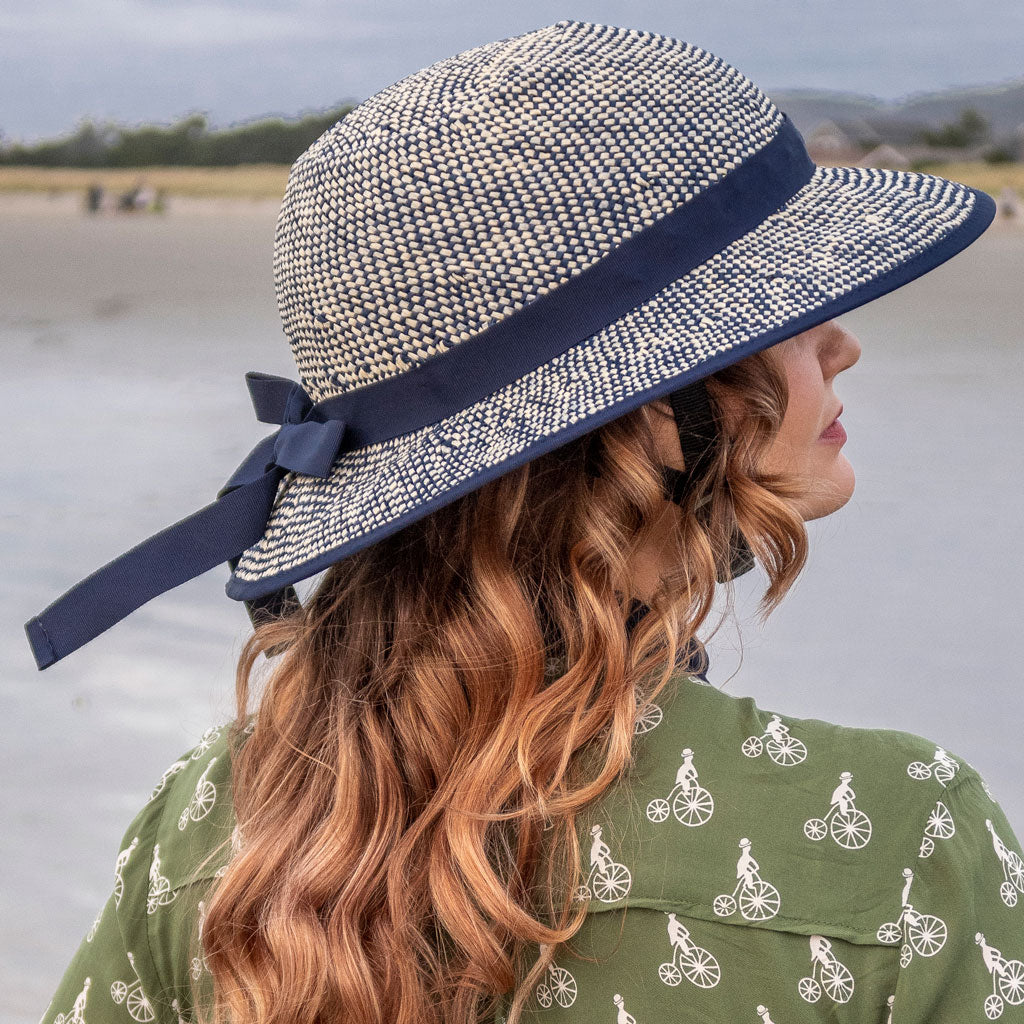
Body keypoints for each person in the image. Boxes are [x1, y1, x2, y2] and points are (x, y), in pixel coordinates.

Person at [32, 18, 1021, 1024]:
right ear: (653, 412)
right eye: (785, 315)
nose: (842, 342)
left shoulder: (212, 823)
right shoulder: (898, 838)